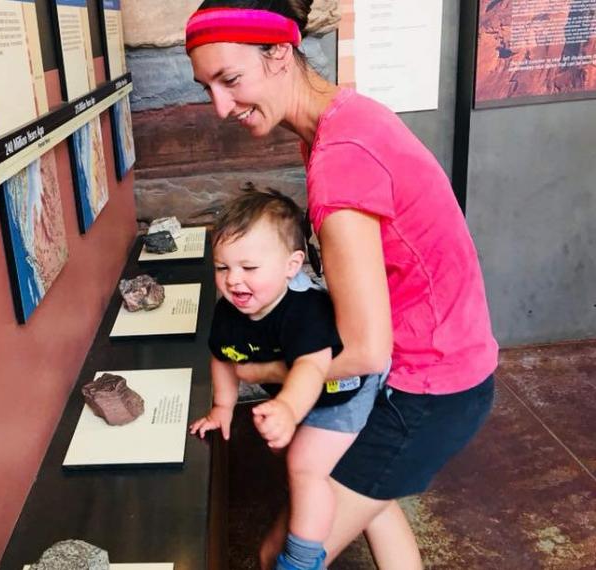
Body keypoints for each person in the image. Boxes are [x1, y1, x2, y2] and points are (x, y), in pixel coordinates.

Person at [184, 1, 499, 569]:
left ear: (280, 53)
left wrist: (265, 373)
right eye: (207, 87)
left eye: (230, 80)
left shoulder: (339, 158)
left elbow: (365, 350)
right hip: (444, 366)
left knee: (277, 555)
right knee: (375, 502)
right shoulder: (343, 118)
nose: (220, 107)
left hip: (425, 386)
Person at [190, 189, 388, 570]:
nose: (233, 280)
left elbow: (312, 368)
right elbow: (222, 355)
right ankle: (331, 492)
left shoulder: (306, 311)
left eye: (249, 268)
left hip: (342, 396)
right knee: (300, 460)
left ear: (292, 265)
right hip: (297, 397)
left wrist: (288, 408)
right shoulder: (228, 311)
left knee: (304, 465)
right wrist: (222, 407)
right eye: (222, 268)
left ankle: (301, 561)